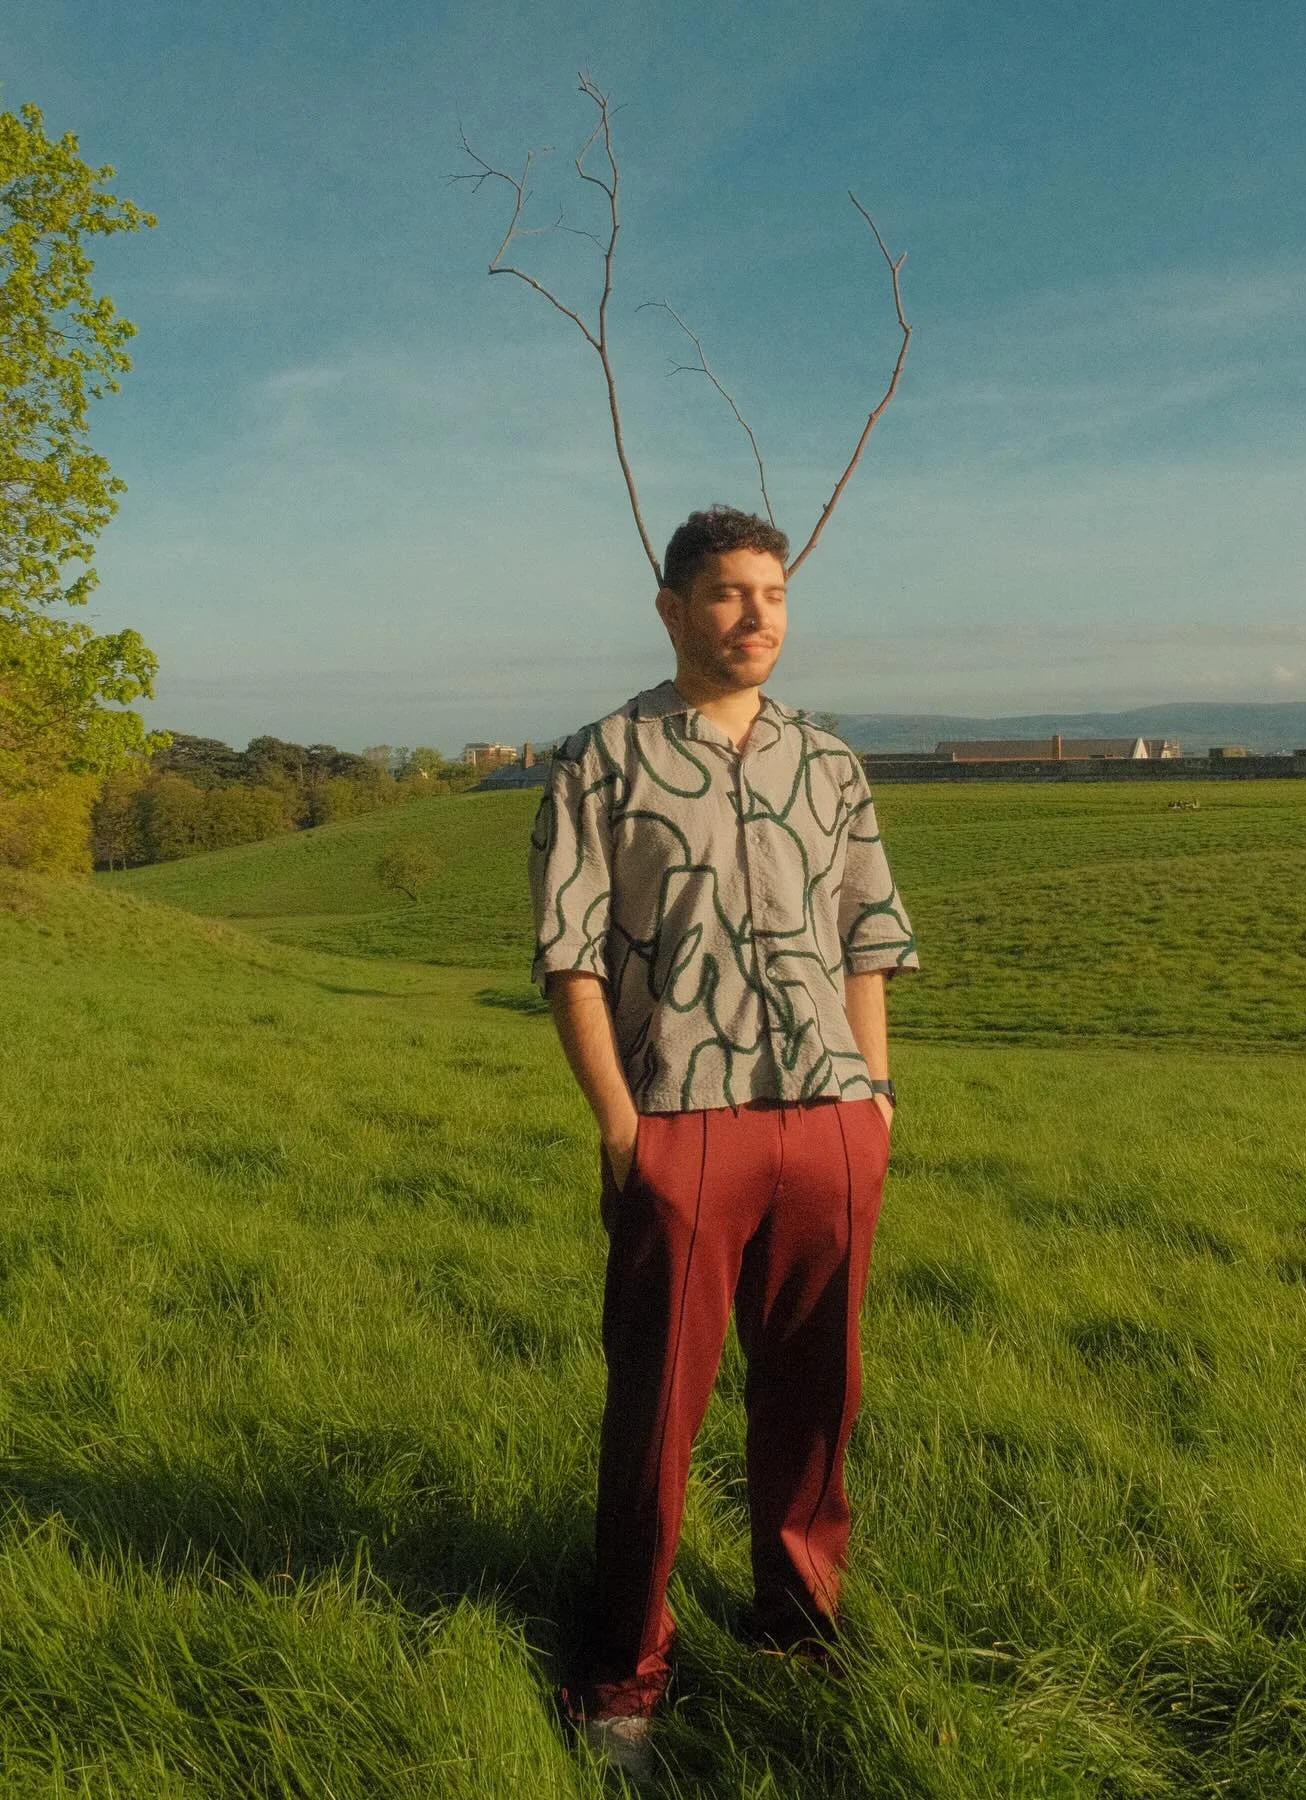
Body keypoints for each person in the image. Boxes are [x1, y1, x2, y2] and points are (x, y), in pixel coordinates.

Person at [529, 505, 918, 1777]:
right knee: (657, 1412)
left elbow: (869, 938)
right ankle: (622, 1679)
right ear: (672, 609)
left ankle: (799, 1635)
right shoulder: (603, 759)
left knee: (817, 1397)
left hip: (829, 1121)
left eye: (774, 595)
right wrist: (622, 1128)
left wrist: (876, 1096)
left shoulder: (830, 762)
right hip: (681, 1125)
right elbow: (570, 958)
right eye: (728, 595)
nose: (757, 617)